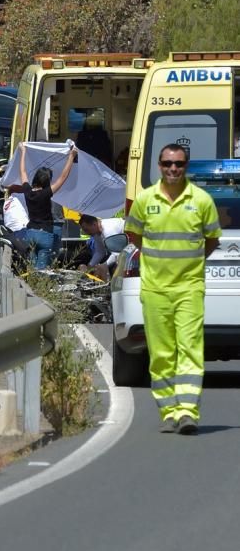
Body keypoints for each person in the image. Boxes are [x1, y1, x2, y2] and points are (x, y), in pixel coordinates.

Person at [125, 143, 221, 435]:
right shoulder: (144, 200)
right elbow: (133, 234)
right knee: (162, 354)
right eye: (167, 163)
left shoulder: (202, 200)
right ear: (159, 165)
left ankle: (187, 412)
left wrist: (189, 264)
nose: (173, 169)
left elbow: (212, 240)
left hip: (189, 288)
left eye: (178, 164)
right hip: (155, 290)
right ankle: (168, 411)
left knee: (190, 348)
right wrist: (156, 261)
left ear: (186, 166)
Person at [19, 141, 78, 269]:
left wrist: (23, 151)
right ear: (47, 182)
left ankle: (30, 287)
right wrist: (71, 156)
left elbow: (23, 172)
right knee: (42, 270)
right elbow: (63, 177)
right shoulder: (46, 193)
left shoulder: (27, 191)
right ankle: (40, 288)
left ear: (35, 178)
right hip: (45, 234)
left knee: (31, 269)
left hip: (30, 233)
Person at [78, 214, 125, 280]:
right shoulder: (96, 232)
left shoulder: (108, 230)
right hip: (121, 249)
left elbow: (116, 253)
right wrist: (90, 266)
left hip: (133, 245)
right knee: (100, 268)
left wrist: (105, 265)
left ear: (94, 224)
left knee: (113, 268)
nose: (86, 233)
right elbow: (100, 252)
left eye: (87, 229)